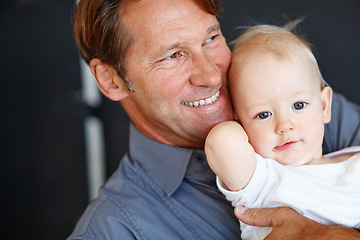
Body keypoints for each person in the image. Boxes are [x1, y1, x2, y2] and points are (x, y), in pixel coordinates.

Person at [68, 0, 360, 239]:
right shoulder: (115, 230)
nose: (211, 76)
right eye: (173, 56)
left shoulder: (302, 111)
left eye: (211, 38)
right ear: (111, 80)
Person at [205, 22, 360, 239]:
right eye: (263, 114)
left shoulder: (355, 161)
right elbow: (222, 141)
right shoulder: (261, 180)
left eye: (298, 105)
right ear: (241, 126)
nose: (284, 126)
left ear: (324, 106)